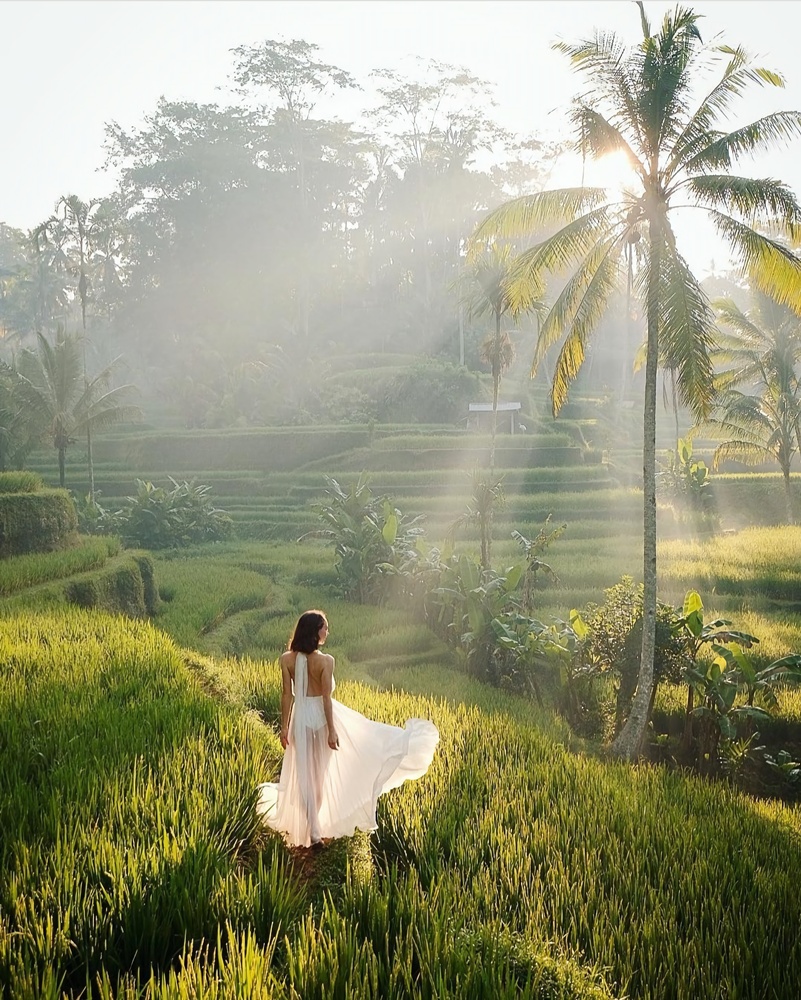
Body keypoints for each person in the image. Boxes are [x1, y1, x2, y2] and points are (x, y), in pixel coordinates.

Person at [257, 609, 439, 848]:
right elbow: (325, 700)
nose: (327, 631)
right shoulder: (326, 661)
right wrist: (332, 730)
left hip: (299, 720)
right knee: (319, 777)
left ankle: (312, 827)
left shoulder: (286, 659)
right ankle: (314, 830)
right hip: (321, 721)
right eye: (325, 627)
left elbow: (286, 696)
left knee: (304, 778)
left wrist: (283, 727)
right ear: (315, 631)